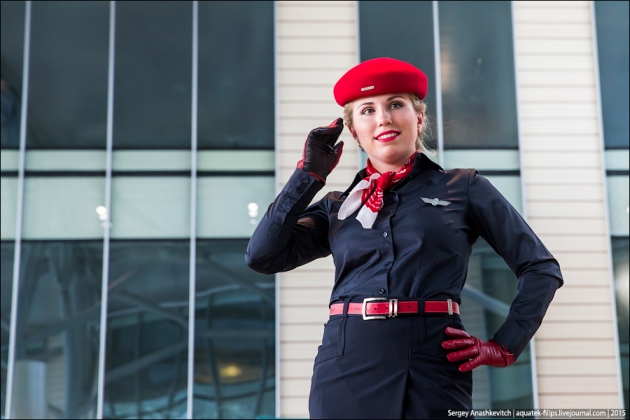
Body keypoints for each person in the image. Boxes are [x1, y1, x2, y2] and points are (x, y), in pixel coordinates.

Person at [245, 57, 563, 419]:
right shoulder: (337, 206)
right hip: (346, 364)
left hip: (433, 362)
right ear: (353, 132)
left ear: (419, 118)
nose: (383, 118)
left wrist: (506, 345)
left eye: (396, 104)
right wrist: (309, 175)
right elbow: (262, 256)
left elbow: (541, 268)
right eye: (367, 110)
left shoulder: (465, 187)